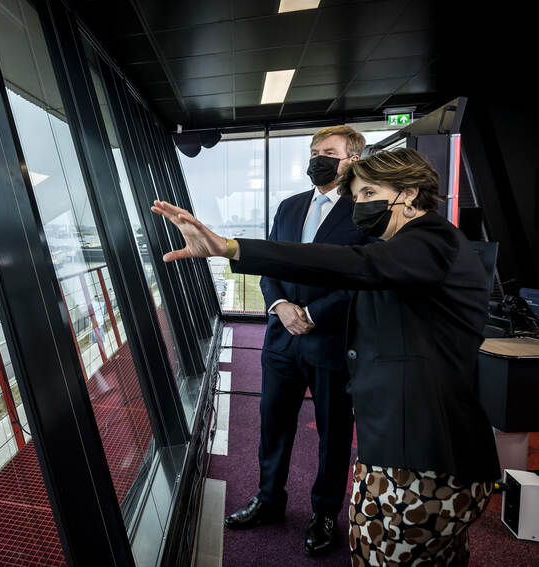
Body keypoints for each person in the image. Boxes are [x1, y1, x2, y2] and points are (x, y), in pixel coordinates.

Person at [152, 147, 500, 566]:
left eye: (370, 192)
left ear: (408, 194)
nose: (361, 206)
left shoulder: (431, 241)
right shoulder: (415, 245)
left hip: (422, 455)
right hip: (406, 443)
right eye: (358, 196)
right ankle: (270, 498)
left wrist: (231, 248)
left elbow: (355, 266)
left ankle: (323, 514)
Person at [224, 125, 368, 557]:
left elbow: (363, 278)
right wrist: (280, 306)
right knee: (273, 424)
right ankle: (268, 500)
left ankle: (325, 513)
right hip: (281, 340)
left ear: (352, 160)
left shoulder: (364, 212)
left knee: (333, 432)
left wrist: (314, 314)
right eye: (313, 150)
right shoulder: (288, 207)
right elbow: (271, 266)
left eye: (327, 151)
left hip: (329, 340)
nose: (316, 158)